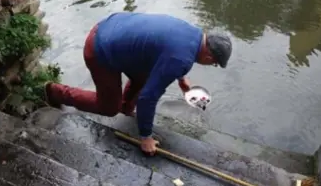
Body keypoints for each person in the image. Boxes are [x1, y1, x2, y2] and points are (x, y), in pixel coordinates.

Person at [44, 12, 232, 155]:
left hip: (110, 26)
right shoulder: (181, 59)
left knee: (147, 76)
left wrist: (181, 79)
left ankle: (126, 108)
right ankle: (54, 92)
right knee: (109, 107)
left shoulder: (193, 33)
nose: (211, 65)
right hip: (100, 47)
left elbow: (166, 48)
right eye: (214, 63)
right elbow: (148, 98)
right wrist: (146, 137)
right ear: (208, 56)